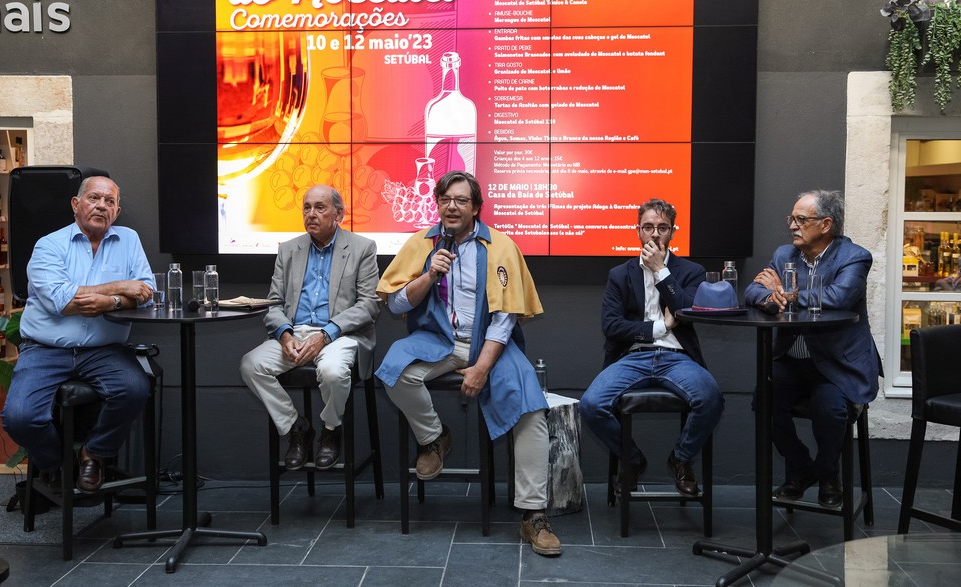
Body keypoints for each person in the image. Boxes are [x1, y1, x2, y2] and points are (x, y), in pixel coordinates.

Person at [375, 171, 561, 557]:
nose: (452, 207)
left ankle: (533, 514)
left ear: (475, 207)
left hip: (491, 343)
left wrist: (481, 368)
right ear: (437, 204)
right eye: (445, 199)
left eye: (461, 200)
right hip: (439, 339)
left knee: (531, 409)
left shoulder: (500, 247)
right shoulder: (422, 244)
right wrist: (430, 274)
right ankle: (434, 438)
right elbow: (395, 304)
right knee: (394, 372)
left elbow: (505, 319)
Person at [1, 176, 155, 493]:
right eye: (94, 198)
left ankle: (93, 454)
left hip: (103, 349)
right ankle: (59, 464)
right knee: (19, 418)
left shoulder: (129, 240)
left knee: (134, 389)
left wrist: (111, 302)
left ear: (117, 211)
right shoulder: (49, 245)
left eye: (109, 201)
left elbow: (146, 292)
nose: (101, 206)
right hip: (45, 349)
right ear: (76, 204)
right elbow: (62, 302)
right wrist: (120, 286)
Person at [744, 189, 881, 509]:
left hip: (837, 363)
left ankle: (828, 475)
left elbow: (837, 298)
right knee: (764, 399)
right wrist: (769, 297)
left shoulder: (855, 257)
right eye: (791, 219)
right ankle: (801, 468)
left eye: (801, 219)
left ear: (826, 224)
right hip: (792, 360)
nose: (792, 225)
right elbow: (752, 290)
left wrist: (784, 292)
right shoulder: (784, 255)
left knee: (829, 410)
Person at [580, 198, 723, 497]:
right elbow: (612, 326)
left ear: (672, 232)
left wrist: (661, 271)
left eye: (662, 227)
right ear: (638, 231)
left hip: (677, 357)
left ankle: (681, 458)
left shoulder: (691, 271)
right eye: (648, 227)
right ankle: (631, 460)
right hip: (633, 356)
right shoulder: (620, 274)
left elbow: (687, 311)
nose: (655, 234)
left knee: (711, 398)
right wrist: (661, 327)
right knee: (591, 405)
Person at [240, 185, 380, 471]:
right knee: (251, 365)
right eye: (307, 207)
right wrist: (284, 334)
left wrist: (326, 334)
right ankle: (296, 428)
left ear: (338, 214)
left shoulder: (362, 248)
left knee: (332, 371)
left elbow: (369, 305)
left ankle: (330, 430)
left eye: (320, 207)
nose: (311, 214)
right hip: (295, 333)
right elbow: (273, 303)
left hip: (340, 334)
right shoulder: (289, 249)